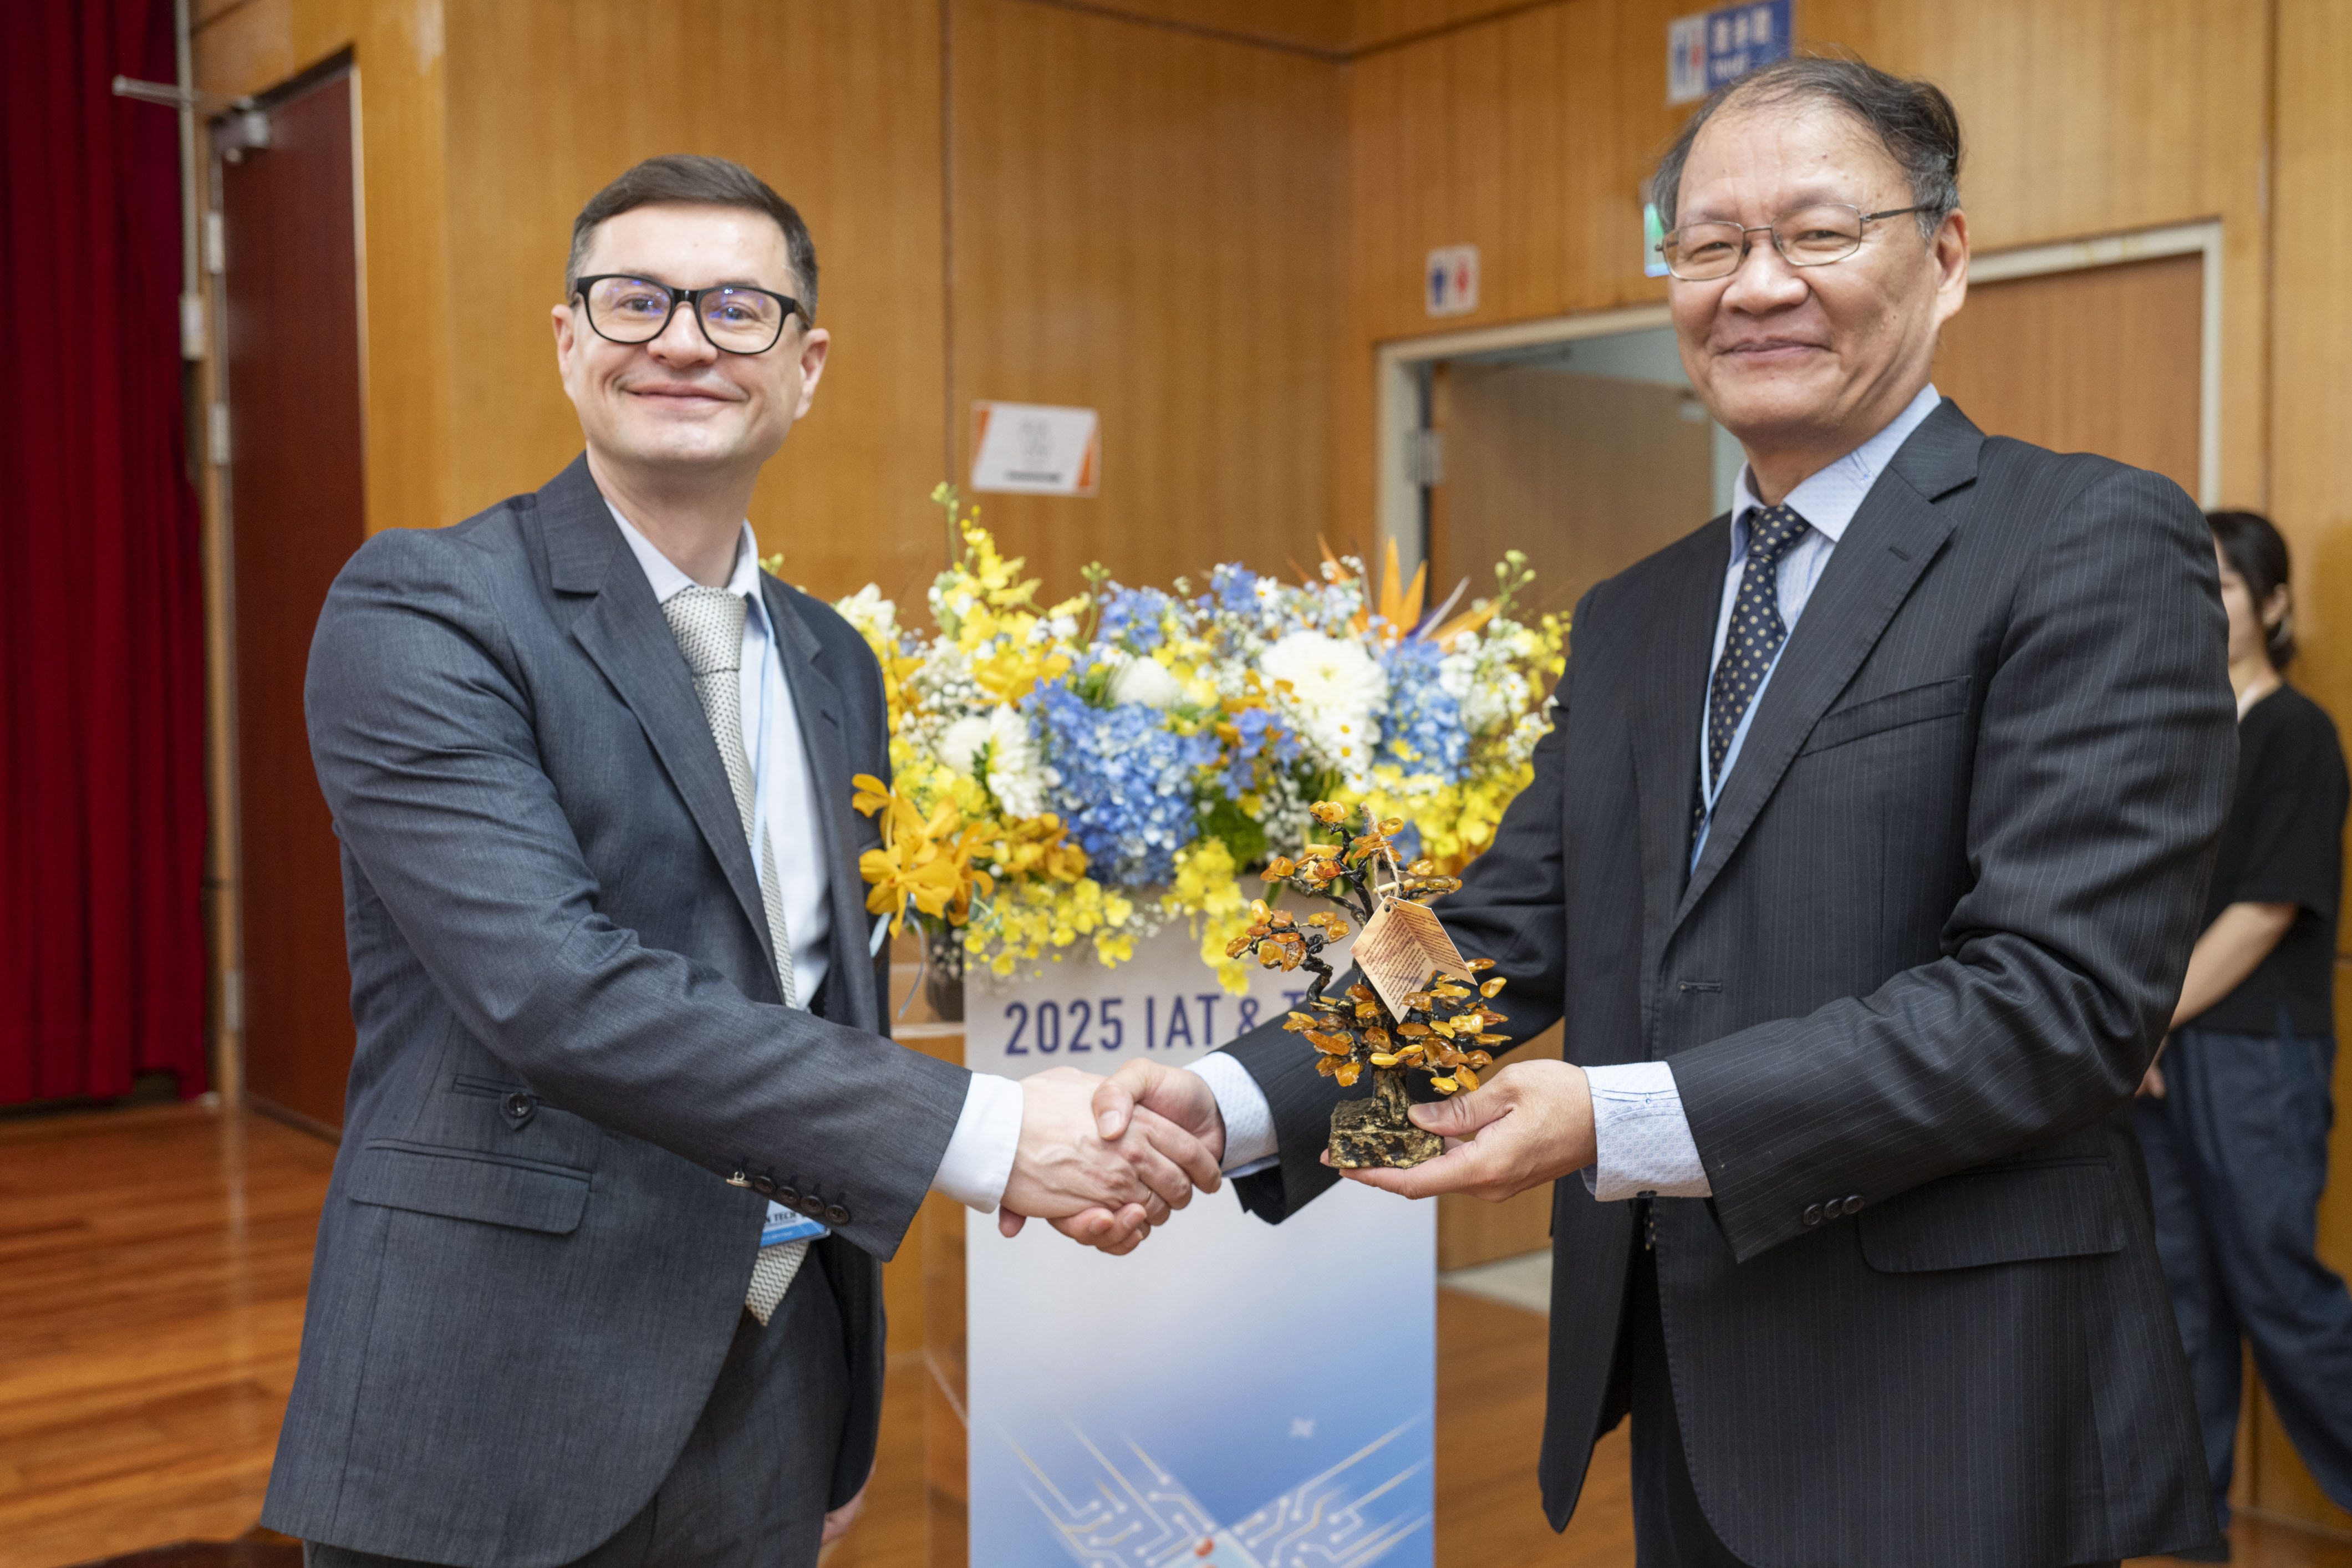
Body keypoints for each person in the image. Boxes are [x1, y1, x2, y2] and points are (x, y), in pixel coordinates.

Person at [1094, 55, 2235, 1568]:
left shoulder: (2082, 536)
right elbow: (1508, 931)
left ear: (1946, 255)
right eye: (1707, 246)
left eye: (1816, 235)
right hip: (1682, 1370)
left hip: (1960, 1387)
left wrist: (1613, 1117)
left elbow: (2060, 1002)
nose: (1753, 285)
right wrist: (1229, 1102)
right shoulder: (1640, 609)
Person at [260, 155, 1214, 1568]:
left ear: (807, 364)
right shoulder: (428, 606)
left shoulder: (836, 659)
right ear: (570, 339)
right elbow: (556, 994)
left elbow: (830, 1008)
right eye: (636, 300)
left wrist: (836, 1407)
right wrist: (1001, 1139)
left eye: (738, 309)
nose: (686, 340)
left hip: (776, 1369)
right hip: (503, 1373)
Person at [2134, 510, 2352, 1562]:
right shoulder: (2166, 730)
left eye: (2225, 585)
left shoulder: (2297, 733)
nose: (2206, 604)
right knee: (2178, 1302)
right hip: (2157, 1061)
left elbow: (2265, 911)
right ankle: (2189, 1531)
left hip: (2252, 1052)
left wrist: (2137, 1018)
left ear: (2270, 604)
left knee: (2279, 1298)